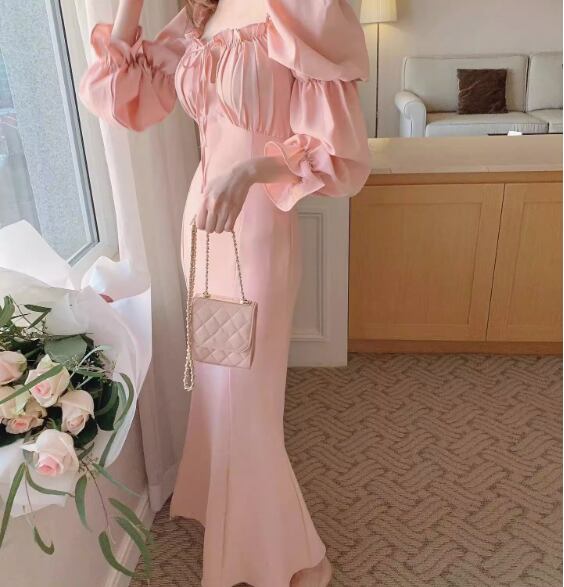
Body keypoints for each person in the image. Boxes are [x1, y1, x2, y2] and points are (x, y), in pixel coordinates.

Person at [79, 0, 370, 585]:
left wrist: (249, 171)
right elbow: (120, 96)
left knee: (250, 399)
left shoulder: (300, 10)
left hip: (258, 223)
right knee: (216, 384)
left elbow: (337, 149)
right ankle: (229, 513)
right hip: (201, 223)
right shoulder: (198, 16)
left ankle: (290, 556)